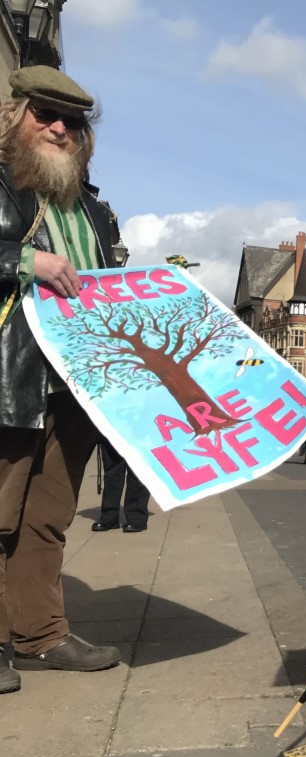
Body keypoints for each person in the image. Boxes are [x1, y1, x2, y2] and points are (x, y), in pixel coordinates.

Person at [0, 66, 128, 690]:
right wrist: (25, 259)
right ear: (15, 114)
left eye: (71, 121)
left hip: (74, 384)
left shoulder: (94, 211)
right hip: (12, 374)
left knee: (48, 516)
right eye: (44, 114)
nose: (58, 127)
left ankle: (41, 636)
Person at [92, 440, 150, 533]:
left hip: (140, 430)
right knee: (112, 472)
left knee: (137, 471)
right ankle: (109, 516)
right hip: (112, 429)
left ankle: (136, 517)